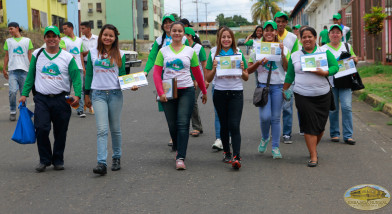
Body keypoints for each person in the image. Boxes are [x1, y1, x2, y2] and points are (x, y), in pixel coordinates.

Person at [19, 26, 82, 172]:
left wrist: (77, 95)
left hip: (62, 99)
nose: (51, 39)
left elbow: (76, 77)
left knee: (60, 131)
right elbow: (30, 75)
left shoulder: (67, 57)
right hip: (42, 99)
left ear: (59, 39)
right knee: (41, 128)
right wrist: (24, 93)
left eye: (54, 36)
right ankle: (44, 159)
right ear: (44, 39)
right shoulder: (37, 54)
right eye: (48, 36)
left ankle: (58, 159)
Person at [84, 24, 138, 175]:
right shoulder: (93, 53)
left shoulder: (119, 54)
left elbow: (122, 75)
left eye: (111, 36)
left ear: (115, 38)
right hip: (98, 94)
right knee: (102, 129)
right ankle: (101, 163)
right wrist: (86, 94)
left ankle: (116, 157)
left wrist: (131, 85)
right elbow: (89, 74)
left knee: (115, 128)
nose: (107, 38)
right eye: (105, 35)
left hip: (115, 94)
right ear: (101, 36)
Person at [153, 22, 207, 170]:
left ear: (184, 34)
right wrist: (160, 92)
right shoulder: (163, 51)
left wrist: (204, 91)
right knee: (172, 124)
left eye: (180, 31)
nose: (177, 33)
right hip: (169, 90)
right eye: (174, 31)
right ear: (170, 33)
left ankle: (180, 157)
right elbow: (157, 73)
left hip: (187, 89)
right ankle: (177, 145)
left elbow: (197, 72)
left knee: (183, 123)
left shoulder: (190, 51)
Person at [282, 27, 339, 167]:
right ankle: (313, 155)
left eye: (310, 36)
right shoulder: (295, 56)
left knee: (320, 127)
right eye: (304, 37)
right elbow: (290, 75)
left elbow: (335, 67)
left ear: (315, 38)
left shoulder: (324, 52)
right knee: (308, 125)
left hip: (323, 95)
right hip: (302, 95)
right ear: (300, 39)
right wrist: (284, 90)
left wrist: (325, 72)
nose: (307, 39)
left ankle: (312, 147)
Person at [205, 27, 249, 169]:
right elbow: (208, 78)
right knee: (224, 125)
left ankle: (237, 156)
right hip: (220, 93)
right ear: (219, 39)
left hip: (236, 92)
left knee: (234, 125)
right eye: (223, 37)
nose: (226, 39)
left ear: (232, 39)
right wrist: (214, 69)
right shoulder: (213, 53)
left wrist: (242, 69)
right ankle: (226, 152)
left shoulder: (238, 53)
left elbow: (246, 77)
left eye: (229, 37)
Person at [142, 14, 188, 147]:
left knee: (181, 108)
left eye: (170, 22)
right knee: (169, 109)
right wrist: (146, 70)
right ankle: (174, 137)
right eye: (165, 22)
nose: (168, 24)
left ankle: (179, 136)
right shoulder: (159, 41)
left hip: (182, 79)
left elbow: (191, 59)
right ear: (162, 26)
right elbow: (152, 58)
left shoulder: (183, 39)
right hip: (166, 80)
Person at [247, 21, 289, 159]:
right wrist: (258, 63)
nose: (269, 32)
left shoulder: (284, 48)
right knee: (265, 117)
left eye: (272, 30)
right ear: (262, 32)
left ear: (277, 32)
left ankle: (275, 147)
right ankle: (265, 137)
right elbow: (248, 70)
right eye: (267, 30)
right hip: (263, 87)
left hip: (278, 87)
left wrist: (282, 53)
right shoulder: (256, 49)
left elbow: (288, 69)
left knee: (276, 118)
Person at [322, 24, 358, 145]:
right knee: (333, 109)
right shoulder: (323, 49)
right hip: (330, 83)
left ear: (342, 35)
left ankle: (348, 135)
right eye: (332, 32)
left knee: (347, 107)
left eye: (338, 32)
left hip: (345, 82)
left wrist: (355, 59)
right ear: (329, 35)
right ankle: (335, 133)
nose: (335, 34)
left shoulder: (347, 46)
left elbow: (354, 58)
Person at [274, 11, 300, 144]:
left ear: (286, 23)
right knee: (274, 108)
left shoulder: (292, 38)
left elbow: (295, 56)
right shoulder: (269, 36)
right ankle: (275, 132)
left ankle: (287, 133)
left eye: (283, 21)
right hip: (272, 78)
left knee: (288, 106)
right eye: (278, 21)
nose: (280, 24)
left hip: (288, 78)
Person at [3, 22, 33, 121]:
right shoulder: (8, 41)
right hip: (12, 71)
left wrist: (32, 68)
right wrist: (4, 68)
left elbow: (29, 55)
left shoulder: (27, 40)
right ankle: (12, 111)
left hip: (25, 71)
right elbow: (6, 56)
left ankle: (23, 110)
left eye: (11, 28)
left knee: (23, 93)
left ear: (17, 28)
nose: (10, 31)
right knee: (12, 91)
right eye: (9, 29)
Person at [185, 27, 208, 137]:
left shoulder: (199, 48)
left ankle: (197, 127)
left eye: (183, 34)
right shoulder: (182, 48)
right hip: (185, 79)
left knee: (192, 101)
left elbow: (204, 65)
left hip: (198, 80)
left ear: (189, 36)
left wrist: (205, 80)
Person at [60, 22, 86, 118]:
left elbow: (81, 54)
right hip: (67, 68)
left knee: (79, 90)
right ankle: (65, 109)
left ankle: (80, 109)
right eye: (63, 29)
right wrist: (70, 56)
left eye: (65, 28)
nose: (64, 31)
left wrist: (83, 67)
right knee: (66, 89)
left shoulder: (79, 40)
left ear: (71, 28)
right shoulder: (62, 40)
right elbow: (63, 52)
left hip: (78, 68)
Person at [80, 21, 98, 115]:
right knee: (84, 85)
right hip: (85, 63)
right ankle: (84, 104)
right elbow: (81, 54)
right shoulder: (80, 40)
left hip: (95, 64)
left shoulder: (97, 38)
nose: (81, 30)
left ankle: (91, 104)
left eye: (83, 28)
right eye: (81, 28)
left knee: (93, 84)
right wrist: (89, 52)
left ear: (89, 28)